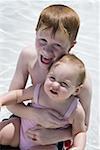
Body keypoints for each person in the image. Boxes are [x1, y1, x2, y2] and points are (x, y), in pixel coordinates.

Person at [0, 4, 92, 150]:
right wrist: (35, 114)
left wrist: (56, 136)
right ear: (36, 33)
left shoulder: (79, 79)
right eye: (42, 40)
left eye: (57, 45)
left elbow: (83, 126)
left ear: (71, 46)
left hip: (52, 136)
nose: (47, 50)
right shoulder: (28, 57)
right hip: (26, 121)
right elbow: (12, 101)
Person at [0, 54, 87, 150]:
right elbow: (17, 96)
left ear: (76, 90)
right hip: (20, 130)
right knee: (3, 131)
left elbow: (79, 132)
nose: (55, 85)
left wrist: (77, 147)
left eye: (64, 84)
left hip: (43, 145)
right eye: (52, 78)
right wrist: (1, 100)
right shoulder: (39, 91)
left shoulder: (75, 110)